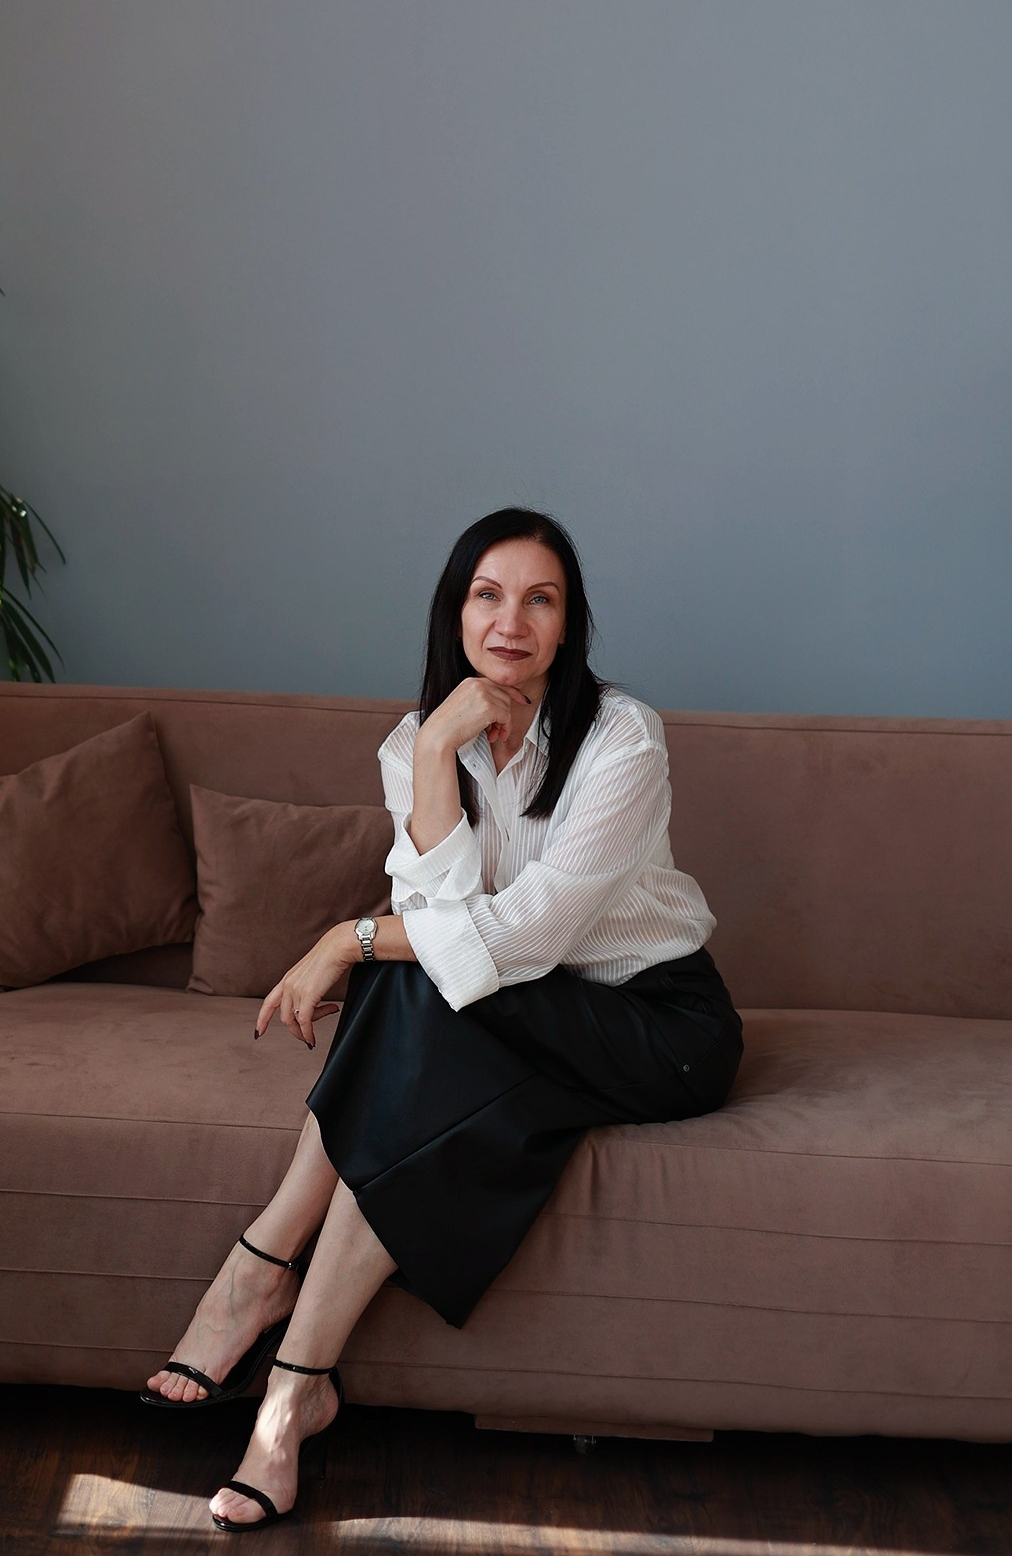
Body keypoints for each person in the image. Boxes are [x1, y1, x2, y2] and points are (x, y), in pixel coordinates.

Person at [142, 505, 743, 1534]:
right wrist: (433, 756)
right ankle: (293, 1386)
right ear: (454, 613)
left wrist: (346, 938)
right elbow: (445, 922)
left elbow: (526, 935)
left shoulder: (621, 739)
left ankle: (259, 1275)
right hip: (516, 1016)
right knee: (413, 981)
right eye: (488, 595)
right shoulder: (417, 743)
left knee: (398, 966)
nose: (512, 622)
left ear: (569, 623)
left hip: (657, 1028)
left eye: (541, 600)